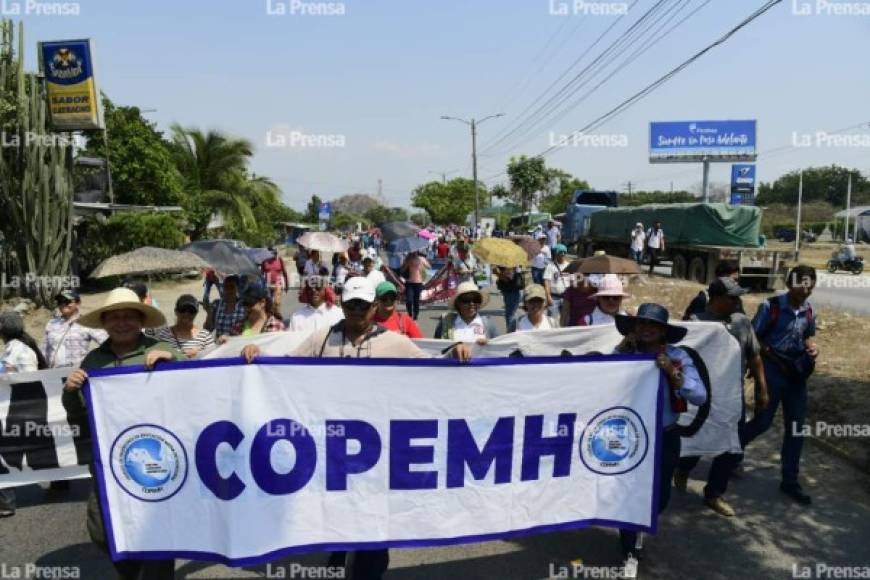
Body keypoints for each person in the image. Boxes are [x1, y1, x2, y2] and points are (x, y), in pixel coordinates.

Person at [240, 277, 471, 580]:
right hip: (333, 452)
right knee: (336, 523)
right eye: (351, 305)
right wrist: (259, 356)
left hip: (377, 455)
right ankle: (338, 559)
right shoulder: (322, 339)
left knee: (374, 533)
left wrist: (455, 352)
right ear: (343, 305)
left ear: (374, 306)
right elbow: (285, 368)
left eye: (363, 305)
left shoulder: (393, 342)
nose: (357, 311)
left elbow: (429, 370)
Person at [61, 287, 181, 579]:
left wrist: (174, 362)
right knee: (104, 531)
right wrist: (70, 391)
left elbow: (197, 386)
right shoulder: (93, 361)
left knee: (157, 534)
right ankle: (130, 568)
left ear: (141, 320)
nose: (122, 322)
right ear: (104, 323)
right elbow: (78, 416)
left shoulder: (162, 350)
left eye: (129, 316)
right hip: (109, 463)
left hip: (158, 462)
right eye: (114, 317)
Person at [613, 304, 706, 573]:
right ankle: (629, 551)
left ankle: (642, 524)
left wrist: (671, 373)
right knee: (628, 494)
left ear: (664, 331)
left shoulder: (677, 358)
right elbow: (601, 380)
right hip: (629, 436)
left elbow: (699, 396)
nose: (645, 329)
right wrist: (620, 351)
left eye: (652, 325)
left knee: (660, 497)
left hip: (665, 436)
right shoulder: (623, 354)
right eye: (640, 324)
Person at [674, 277, 769, 517]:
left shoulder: (742, 323)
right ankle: (683, 468)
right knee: (700, 439)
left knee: (732, 449)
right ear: (716, 299)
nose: (738, 301)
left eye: (739, 296)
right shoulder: (697, 324)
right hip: (705, 398)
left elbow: (755, 356)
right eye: (732, 297)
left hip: (731, 399)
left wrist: (762, 387)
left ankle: (714, 493)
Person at [743, 265, 819, 505]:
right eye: (801, 283)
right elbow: (753, 339)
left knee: (796, 429)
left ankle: (790, 481)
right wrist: (773, 359)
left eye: (810, 284)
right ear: (789, 284)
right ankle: (731, 450)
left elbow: (807, 336)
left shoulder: (809, 312)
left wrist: (811, 348)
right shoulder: (771, 307)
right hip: (772, 372)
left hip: (796, 377)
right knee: (762, 422)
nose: (805, 289)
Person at [0, 311, 48, 517]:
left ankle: (5, 503)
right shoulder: (16, 348)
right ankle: (59, 482)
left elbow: (26, 380)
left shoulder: (19, 350)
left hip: (19, 408)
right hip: (20, 407)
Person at [41, 289, 108, 368]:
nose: (63, 304)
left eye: (67, 301)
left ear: (78, 303)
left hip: (77, 374)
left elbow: (106, 342)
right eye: (60, 302)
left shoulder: (85, 322)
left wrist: (96, 361)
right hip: (54, 374)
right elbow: (44, 350)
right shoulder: (51, 323)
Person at [153, 294, 215, 359]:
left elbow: (214, 358)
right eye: (182, 310)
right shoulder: (164, 334)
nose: (186, 314)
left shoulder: (205, 336)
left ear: (196, 313)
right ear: (176, 311)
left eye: (191, 311)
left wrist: (199, 354)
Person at [434, 282, 498, 343]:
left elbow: (498, 347)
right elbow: (437, 348)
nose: (472, 304)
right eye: (466, 300)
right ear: (458, 303)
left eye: (476, 299)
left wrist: (489, 344)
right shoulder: (445, 322)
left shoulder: (488, 323)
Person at [205, 275, 246, 340]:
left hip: (238, 345)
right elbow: (207, 329)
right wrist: (209, 313)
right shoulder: (217, 304)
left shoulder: (244, 306)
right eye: (226, 287)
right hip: (220, 346)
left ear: (237, 288)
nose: (229, 290)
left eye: (231, 287)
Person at [543, 244, 570, 319]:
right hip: (554, 297)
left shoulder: (569, 265)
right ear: (556, 253)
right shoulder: (550, 266)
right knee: (553, 319)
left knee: (565, 318)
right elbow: (547, 282)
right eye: (561, 252)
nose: (563, 254)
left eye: (564, 252)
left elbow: (572, 281)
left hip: (566, 297)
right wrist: (548, 296)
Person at [401, 251, 430, 321]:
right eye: (413, 252)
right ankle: (410, 313)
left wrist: (423, 264)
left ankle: (415, 314)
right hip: (409, 283)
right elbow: (402, 269)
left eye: (415, 252)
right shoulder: (408, 259)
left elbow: (429, 267)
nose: (414, 253)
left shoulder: (421, 259)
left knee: (416, 301)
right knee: (409, 300)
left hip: (418, 283)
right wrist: (407, 263)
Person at [495, 266, 525, 330]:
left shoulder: (510, 266)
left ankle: (511, 331)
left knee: (510, 314)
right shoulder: (509, 266)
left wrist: (498, 274)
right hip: (510, 292)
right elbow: (508, 279)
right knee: (511, 314)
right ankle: (512, 331)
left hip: (511, 292)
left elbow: (508, 278)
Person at [261, 247, 289, 315]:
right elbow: (261, 274)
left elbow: (285, 273)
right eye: (274, 253)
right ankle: (269, 318)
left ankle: (277, 317)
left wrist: (287, 284)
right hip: (268, 284)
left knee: (277, 302)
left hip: (277, 283)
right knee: (268, 304)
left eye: (276, 253)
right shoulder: (264, 261)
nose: (275, 254)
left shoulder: (279, 260)